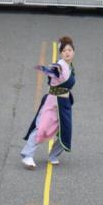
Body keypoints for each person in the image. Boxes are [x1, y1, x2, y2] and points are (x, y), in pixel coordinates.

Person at [20, 36, 76, 169]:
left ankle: (53, 155)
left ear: (73, 52)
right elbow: (54, 69)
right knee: (42, 127)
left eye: (69, 50)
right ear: (60, 53)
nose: (67, 52)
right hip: (52, 102)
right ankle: (27, 155)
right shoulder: (60, 65)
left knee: (66, 132)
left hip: (64, 104)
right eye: (64, 50)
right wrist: (49, 70)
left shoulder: (70, 66)